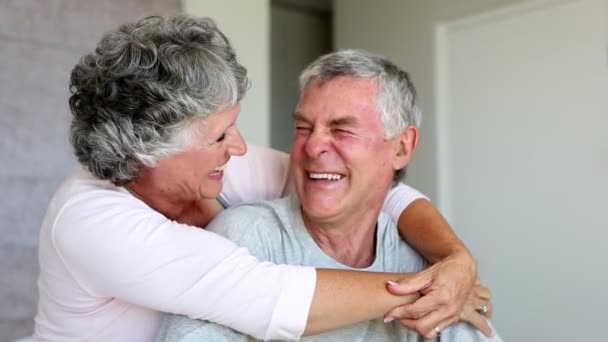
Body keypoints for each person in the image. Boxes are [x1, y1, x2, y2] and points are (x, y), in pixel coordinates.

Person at [34, 15, 479, 342]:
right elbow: (269, 296)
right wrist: (432, 290)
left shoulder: (217, 168)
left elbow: (370, 186)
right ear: (150, 153)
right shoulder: (91, 222)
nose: (240, 147)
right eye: (220, 135)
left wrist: (455, 259)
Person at [157, 49, 498, 342]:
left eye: (342, 130)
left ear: (402, 147)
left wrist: (456, 264)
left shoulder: (431, 265)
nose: (313, 146)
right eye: (303, 128)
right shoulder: (247, 236)